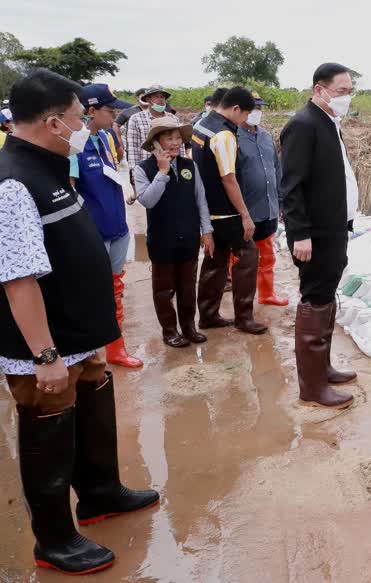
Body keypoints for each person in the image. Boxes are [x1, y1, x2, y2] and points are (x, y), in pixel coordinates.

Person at [0, 69, 159, 576]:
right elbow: (18, 280)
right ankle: (55, 540)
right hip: (47, 345)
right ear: (52, 122)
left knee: (92, 399)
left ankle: (100, 492)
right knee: (47, 427)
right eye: (76, 117)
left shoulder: (50, 166)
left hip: (80, 334)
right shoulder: (12, 183)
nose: (83, 123)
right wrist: (44, 355)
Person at [280, 63, 359, 409]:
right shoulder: (303, 125)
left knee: (326, 296)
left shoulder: (329, 123)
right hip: (314, 234)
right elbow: (292, 187)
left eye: (349, 91)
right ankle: (312, 387)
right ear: (319, 89)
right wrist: (300, 234)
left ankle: (322, 367)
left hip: (334, 228)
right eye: (342, 91)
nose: (347, 97)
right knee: (314, 299)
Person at [69, 84, 143, 368]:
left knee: (115, 289)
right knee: (90, 293)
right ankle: (87, 352)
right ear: (91, 111)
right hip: (93, 231)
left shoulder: (105, 139)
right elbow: (71, 189)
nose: (115, 115)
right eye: (110, 110)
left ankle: (116, 348)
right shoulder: (74, 145)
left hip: (117, 226)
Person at [193, 86, 267, 335]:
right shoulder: (223, 135)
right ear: (236, 109)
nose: (245, 120)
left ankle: (208, 314)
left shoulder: (203, 125)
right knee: (248, 255)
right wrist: (245, 214)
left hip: (207, 208)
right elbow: (229, 179)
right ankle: (244, 318)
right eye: (245, 114)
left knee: (216, 260)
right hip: (225, 211)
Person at [134, 117, 214, 347]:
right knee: (164, 289)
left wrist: (206, 231)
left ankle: (189, 327)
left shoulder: (190, 166)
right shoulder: (142, 169)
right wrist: (162, 172)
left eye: (178, 137)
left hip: (188, 237)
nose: (175, 142)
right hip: (162, 239)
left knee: (188, 286)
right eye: (169, 138)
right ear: (155, 143)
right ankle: (170, 331)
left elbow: (201, 200)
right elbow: (147, 201)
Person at [235, 91, 288, 306]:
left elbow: (276, 170)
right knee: (242, 260)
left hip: (268, 208)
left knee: (267, 256)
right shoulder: (234, 137)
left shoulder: (266, 137)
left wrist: (280, 202)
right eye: (252, 108)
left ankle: (266, 294)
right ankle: (243, 301)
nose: (256, 112)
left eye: (259, 108)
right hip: (246, 211)